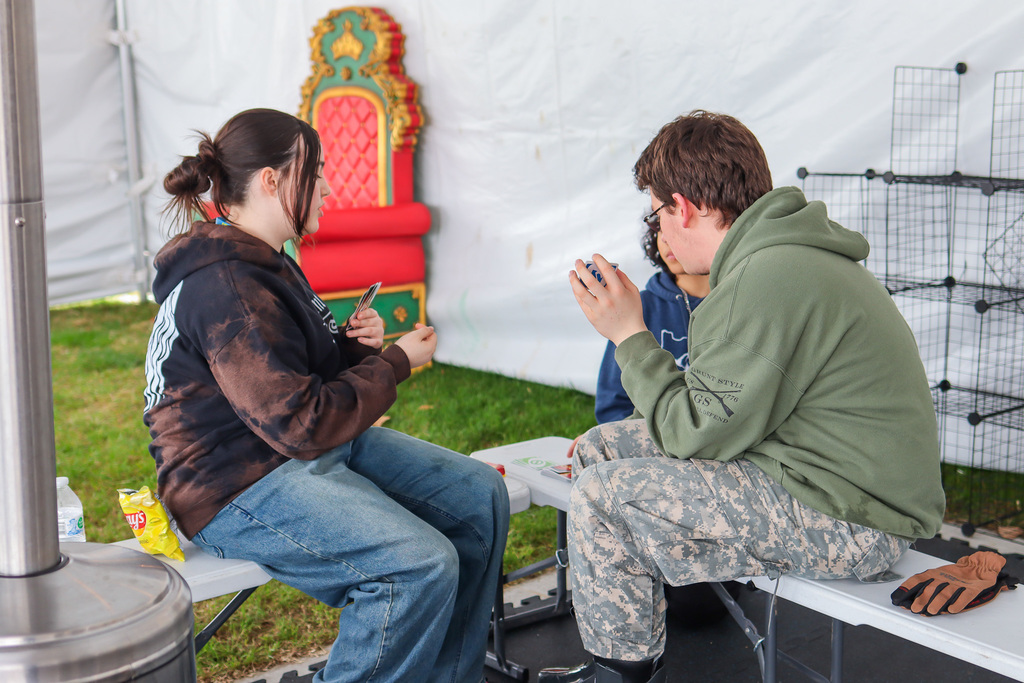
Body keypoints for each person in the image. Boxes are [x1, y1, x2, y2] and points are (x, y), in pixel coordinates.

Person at [543, 110, 945, 683]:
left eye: (658, 210)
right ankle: (628, 654)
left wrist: (629, 334)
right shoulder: (775, 259)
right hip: (808, 468)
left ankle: (620, 674)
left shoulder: (768, 276)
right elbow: (712, 415)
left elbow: (692, 431)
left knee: (604, 498)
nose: (661, 227)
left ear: (681, 207)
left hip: (858, 517)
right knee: (601, 450)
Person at [144, 108, 509, 683]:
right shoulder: (227, 284)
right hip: (232, 481)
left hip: (290, 450)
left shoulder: (265, 259)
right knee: (414, 566)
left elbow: (291, 381)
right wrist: (392, 365)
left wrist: (351, 349)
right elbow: (300, 422)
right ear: (272, 180)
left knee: (477, 496)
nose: (329, 186)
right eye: (315, 172)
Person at [594, 220, 708, 424]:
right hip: (653, 440)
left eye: (677, 224)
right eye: (659, 228)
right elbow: (613, 404)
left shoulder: (741, 300)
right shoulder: (640, 306)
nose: (665, 238)